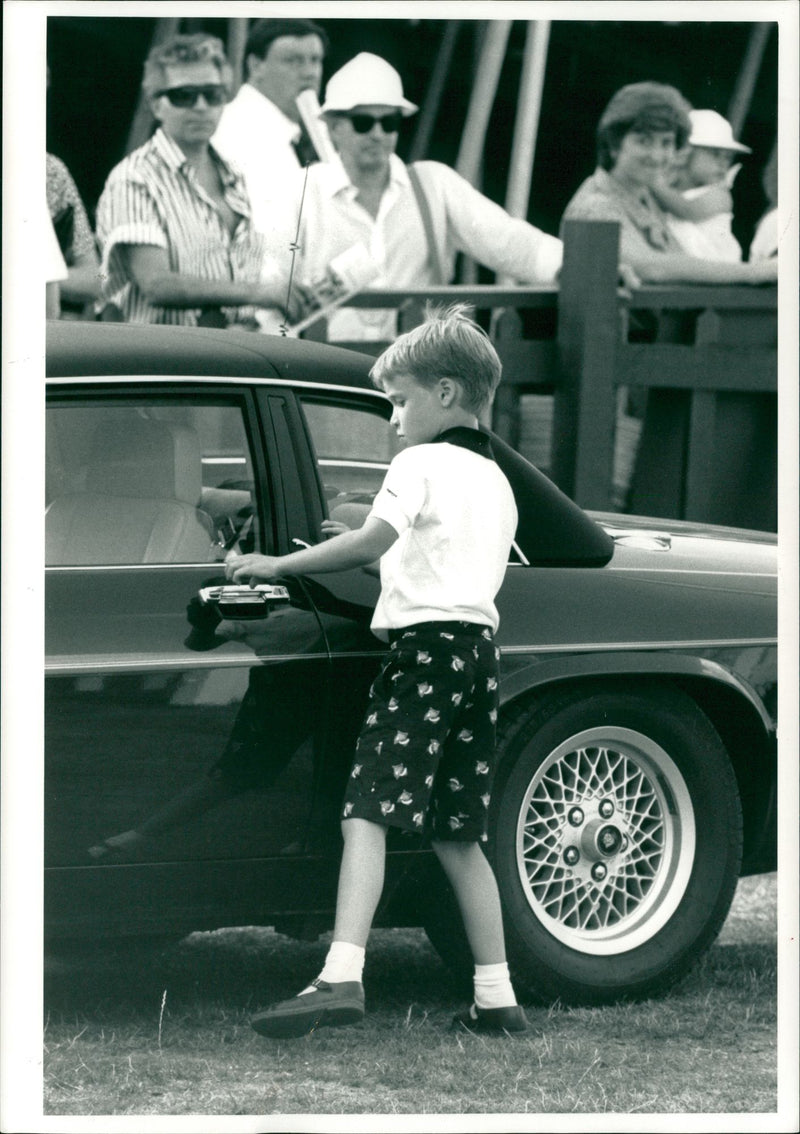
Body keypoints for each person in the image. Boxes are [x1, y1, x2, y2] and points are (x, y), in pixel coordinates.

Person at [226, 305, 528, 1038]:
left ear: (447, 394)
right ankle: (497, 997)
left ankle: (340, 976)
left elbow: (368, 548)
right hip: (476, 657)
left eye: (401, 400)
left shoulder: (416, 464)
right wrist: (378, 526)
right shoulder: (495, 480)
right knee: (460, 835)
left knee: (367, 810)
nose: (393, 419)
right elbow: (439, 554)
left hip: (422, 656)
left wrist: (276, 562)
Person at [279, 53, 563, 343]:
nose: (377, 133)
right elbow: (272, 287)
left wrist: (571, 266)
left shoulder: (433, 185)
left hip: (414, 373)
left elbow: (508, 241)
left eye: (389, 122)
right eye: (363, 122)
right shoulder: (302, 190)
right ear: (332, 126)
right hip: (327, 373)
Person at [95, 33, 304, 328]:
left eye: (213, 94)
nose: (201, 105)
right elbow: (156, 284)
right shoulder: (134, 179)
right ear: (156, 105)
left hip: (236, 351)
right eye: (184, 95)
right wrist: (260, 293)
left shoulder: (233, 174)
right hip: (159, 360)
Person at [560, 82, 776, 286]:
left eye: (666, 143)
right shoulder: (595, 205)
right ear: (614, 145)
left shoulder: (645, 199)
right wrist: (754, 272)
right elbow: (651, 267)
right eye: (644, 141)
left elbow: (679, 259)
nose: (656, 155)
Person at [212, 17, 331, 242]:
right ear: (256, 66)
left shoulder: (310, 132)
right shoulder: (236, 130)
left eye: (315, 60)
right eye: (293, 61)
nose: (310, 73)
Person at [650, 108, 751, 262]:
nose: (723, 163)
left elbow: (687, 209)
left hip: (718, 272)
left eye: (727, 157)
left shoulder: (720, 195)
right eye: (715, 154)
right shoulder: (668, 191)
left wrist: (652, 182)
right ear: (685, 152)